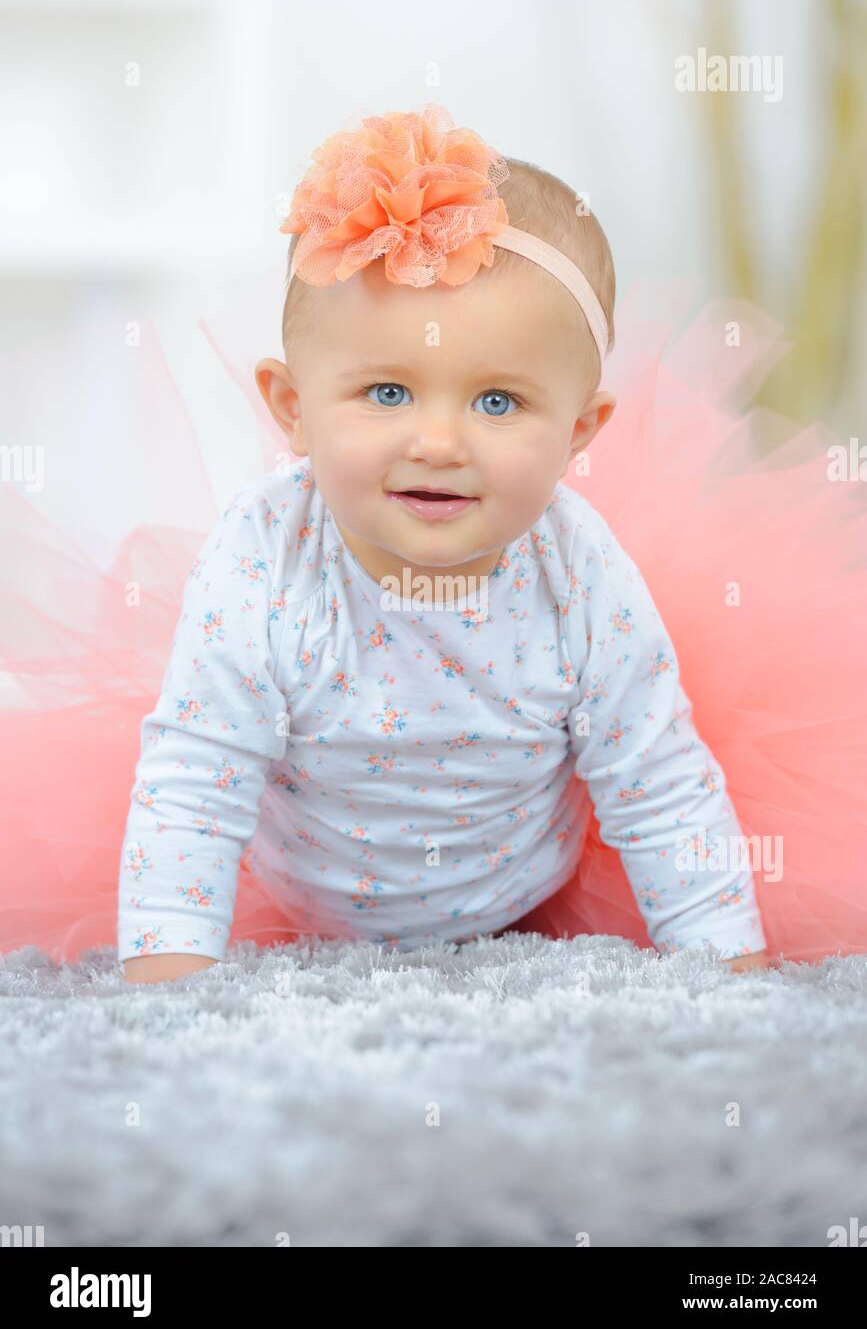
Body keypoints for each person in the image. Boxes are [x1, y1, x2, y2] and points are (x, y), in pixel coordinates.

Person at [2, 105, 864, 982]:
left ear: (578, 431)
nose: (439, 443)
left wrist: (730, 969)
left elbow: (659, 780)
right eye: (385, 393)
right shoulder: (266, 555)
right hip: (305, 888)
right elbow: (195, 781)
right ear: (292, 409)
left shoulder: (578, 571)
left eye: (497, 403)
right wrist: (167, 985)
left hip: (520, 884)